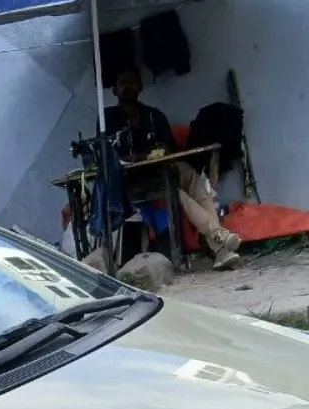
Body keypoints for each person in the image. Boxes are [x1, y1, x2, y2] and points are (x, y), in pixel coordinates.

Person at [103, 68, 243, 271]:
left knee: (194, 181)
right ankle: (218, 239)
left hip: (163, 169)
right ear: (114, 90)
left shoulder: (154, 115)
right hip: (133, 180)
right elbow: (111, 156)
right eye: (122, 83)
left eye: (132, 82)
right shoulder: (107, 119)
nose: (127, 87)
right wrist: (143, 156)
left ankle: (220, 248)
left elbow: (170, 147)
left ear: (140, 88)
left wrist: (159, 151)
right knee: (176, 192)